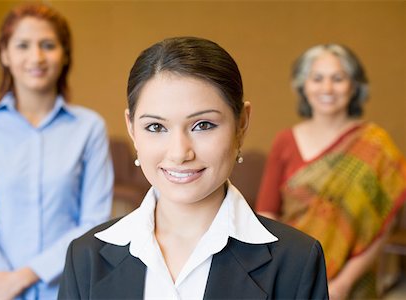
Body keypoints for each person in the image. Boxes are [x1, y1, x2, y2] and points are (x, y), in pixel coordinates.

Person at [58, 36, 328, 299]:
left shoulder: (297, 262)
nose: (179, 153)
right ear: (131, 128)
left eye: (203, 125)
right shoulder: (87, 258)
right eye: (156, 127)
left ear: (242, 124)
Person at [0, 4, 114, 299]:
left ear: (65, 54)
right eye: (22, 45)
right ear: (5, 54)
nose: (36, 57)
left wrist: (26, 276)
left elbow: (94, 220)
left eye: (48, 45)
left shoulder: (89, 128)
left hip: (69, 286)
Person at [255, 44, 406, 299]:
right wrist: (289, 270)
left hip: (352, 283)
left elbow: (383, 228)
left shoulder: (376, 145)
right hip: (292, 271)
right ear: (303, 85)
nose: (327, 89)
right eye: (317, 79)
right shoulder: (285, 140)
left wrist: (345, 282)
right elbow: (267, 213)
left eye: (338, 79)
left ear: (354, 86)